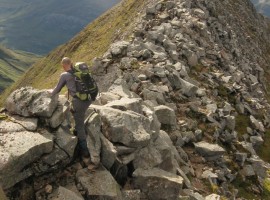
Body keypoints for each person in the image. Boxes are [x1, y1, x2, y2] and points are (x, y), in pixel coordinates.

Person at [50, 57, 92, 159]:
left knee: (79, 124)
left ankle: (85, 151)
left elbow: (57, 89)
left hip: (79, 101)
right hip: (89, 98)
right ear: (71, 63)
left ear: (63, 65)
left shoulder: (65, 75)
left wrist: (49, 93)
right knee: (76, 114)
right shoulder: (79, 72)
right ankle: (77, 132)